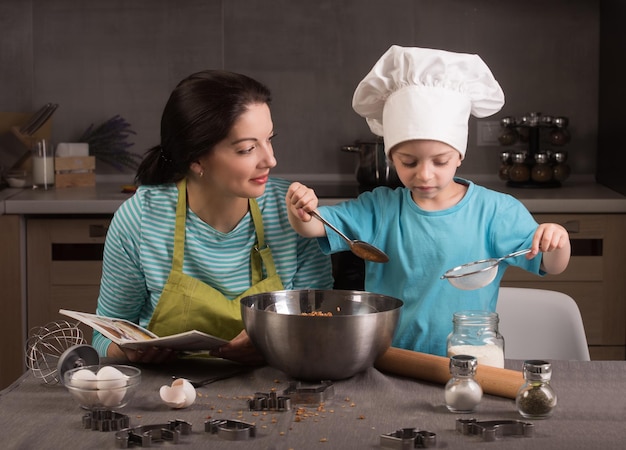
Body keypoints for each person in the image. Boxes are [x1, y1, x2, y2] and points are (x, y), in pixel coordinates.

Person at [286, 46, 571, 357]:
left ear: (459, 155)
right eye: (409, 162)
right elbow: (313, 227)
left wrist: (557, 239)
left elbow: (551, 264)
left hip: (469, 360)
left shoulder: (495, 212)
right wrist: (301, 208)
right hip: (391, 358)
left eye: (440, 161)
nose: (425, 174)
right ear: (391, 158)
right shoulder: (379, 209)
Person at [93, 70, 334, 364]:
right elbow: (104, 335)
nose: (270, 160)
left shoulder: (294, 214)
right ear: (196, 159)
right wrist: (126, 351)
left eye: (269, 139)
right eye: (247, 148)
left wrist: (275, 343)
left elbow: (321, 323)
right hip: (161, 397)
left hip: (272, 394)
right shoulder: (141, 219)